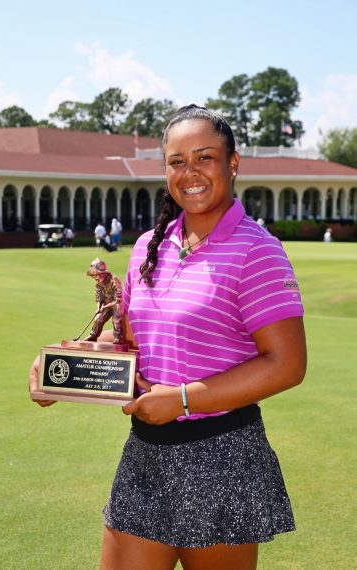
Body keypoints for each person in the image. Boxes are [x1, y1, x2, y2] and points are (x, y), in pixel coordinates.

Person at [29, 105, 307, 570]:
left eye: (205, 157)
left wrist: (181, 400)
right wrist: (64, 372)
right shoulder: (147, 247)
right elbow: (137, 352)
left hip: (222, 457)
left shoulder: (258, 251)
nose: (190, 172)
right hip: (145, 453)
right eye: (177, 161)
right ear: (164, 171)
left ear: (232, 164)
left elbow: (287, 364)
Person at [84, 258, 123, 344]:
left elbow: (118, 299)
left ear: (103, 274)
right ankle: (94, 335)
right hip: (106, 305)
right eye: (94, 276)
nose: (95, 277)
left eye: (96, 275)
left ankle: (118, 337)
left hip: (116, 304)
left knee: (116, 320)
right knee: (98, 319)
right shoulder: (98, 284)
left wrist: (104, 307)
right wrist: (98, 307)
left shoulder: (113, 279)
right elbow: (99, 298)